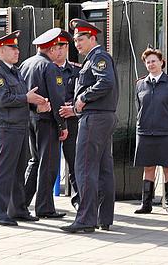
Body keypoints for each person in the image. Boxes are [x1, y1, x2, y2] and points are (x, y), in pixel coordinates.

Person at [0, 31, 50, 226]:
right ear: (1, 50)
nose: (17, 51)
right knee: (4, 171)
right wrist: (27, 98)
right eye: (12, 48)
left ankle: (18, 209)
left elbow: (20, 98)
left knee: (18, 170)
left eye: (16, 47)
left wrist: (36, 104)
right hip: (7, 127)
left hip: (19, 125)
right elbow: (3, 99)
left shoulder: (14, 70)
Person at [59, 19, 119, 233]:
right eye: (75, 40)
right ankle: (103, 217)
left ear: (93, 38)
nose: (77, 44)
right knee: (103, 169)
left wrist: (83, 96)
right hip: (101, 117)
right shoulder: (94, 58)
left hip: (94, 119)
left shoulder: (98, 56)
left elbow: (106, 82)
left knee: (84, 167)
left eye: (81, 39)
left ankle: (85, 219)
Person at [20, 28, 69, 219]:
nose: (61, 51)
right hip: (47, 122)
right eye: (59, 47)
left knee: (35, 161)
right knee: (48, 165)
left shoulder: (26, 64)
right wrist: (62, 125)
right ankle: (45, 207)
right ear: (52, 48)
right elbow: (57, 99)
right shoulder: (50, 67)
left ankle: (21, 202)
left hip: (31, 119)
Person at [133, 47, 168, 215]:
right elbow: (139, 107)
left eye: (154, 61)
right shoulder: (140, 84)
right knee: (148, 167)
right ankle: (146, 203)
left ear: (161, 62)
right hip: (146, 132)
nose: (151, 64)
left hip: (167, 132)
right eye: (148, 62)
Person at [52, 33, 81, 210]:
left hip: (71, 121)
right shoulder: (46, 69)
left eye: (63, 46)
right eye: (57, 47)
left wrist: (71, 107)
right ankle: (43, 201)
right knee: (45, 163)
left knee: (75, 162)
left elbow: (80, 94)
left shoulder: (77, 70)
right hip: (51, 121)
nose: (60, 50)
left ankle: (79, 199)